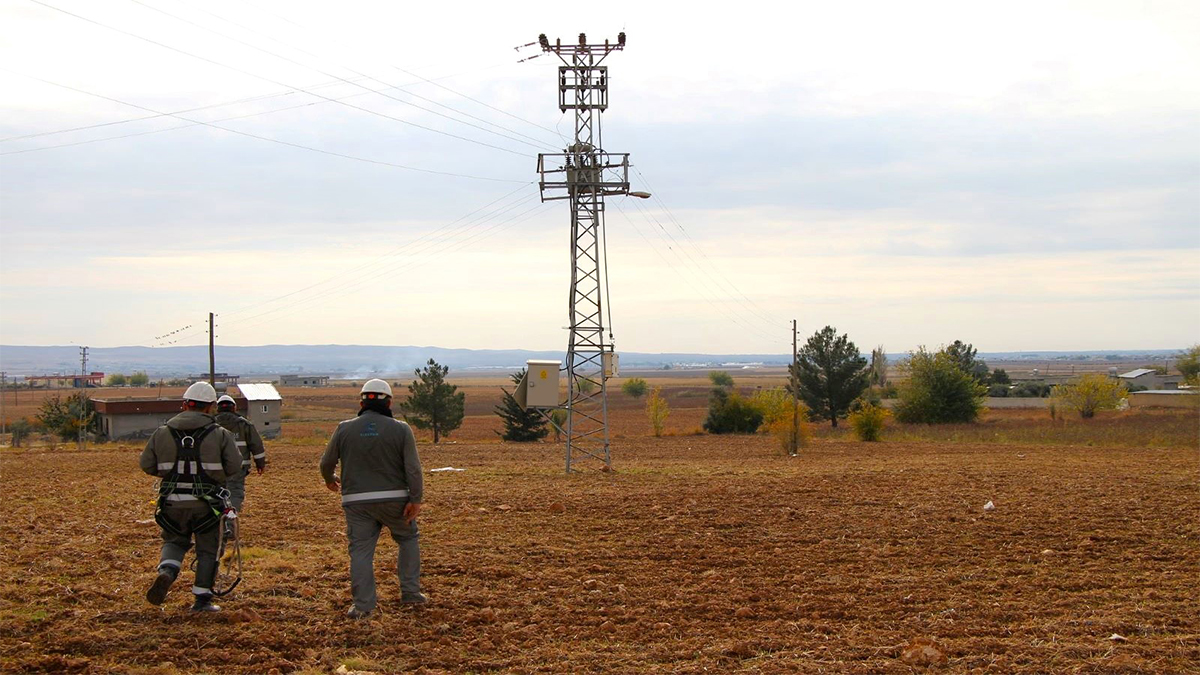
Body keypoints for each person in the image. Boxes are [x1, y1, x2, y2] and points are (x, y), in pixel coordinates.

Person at [320, 378, 425, 619]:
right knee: (408, 539)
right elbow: (413, 468)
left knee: (360, 552)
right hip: (396, 501)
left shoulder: (344, 428)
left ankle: (363, 606)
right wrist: (416, 498)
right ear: (389, 403)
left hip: (356, 502)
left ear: (361, 402)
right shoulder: (401, 429)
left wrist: (329, 478)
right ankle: (410, 593)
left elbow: (327, 462)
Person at [139, 382, 241, 612]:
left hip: (172, 502)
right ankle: (202, 599)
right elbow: (234, 466)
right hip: (207, 506)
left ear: (184, 404)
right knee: (208, 549)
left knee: (174, 541)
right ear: (211, 407)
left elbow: (146, 464)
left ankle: (167, 571)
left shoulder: (162, 432)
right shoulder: (220, 435)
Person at [214, 394, 267, 521]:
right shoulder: (244, 424)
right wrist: (260, 464)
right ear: (234, 408)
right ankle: (229, 523)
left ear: (217, 408)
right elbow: (257, 445)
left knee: (215, 495)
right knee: (235, 494)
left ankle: (216, 525)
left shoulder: (210, 424)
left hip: (214, 469)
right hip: (238, 469)